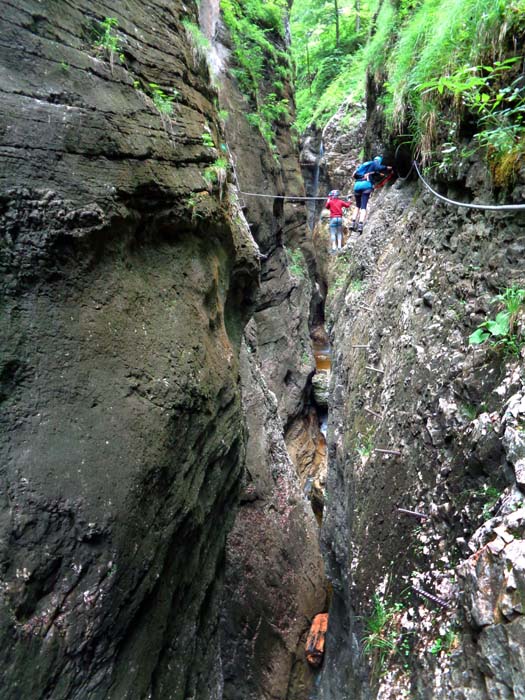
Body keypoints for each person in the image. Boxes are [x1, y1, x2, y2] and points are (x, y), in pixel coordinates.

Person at [350, 156, 392, 233]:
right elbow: (379, 168)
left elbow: (371, 173)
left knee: (357, 206)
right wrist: (387, 168)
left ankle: (352, 223)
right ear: (378, 161)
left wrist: (380, 174)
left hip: (357, 185)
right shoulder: (374, 163)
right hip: (366, 185)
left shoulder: (364, 165)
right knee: (363, 206)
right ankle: (360, 224)